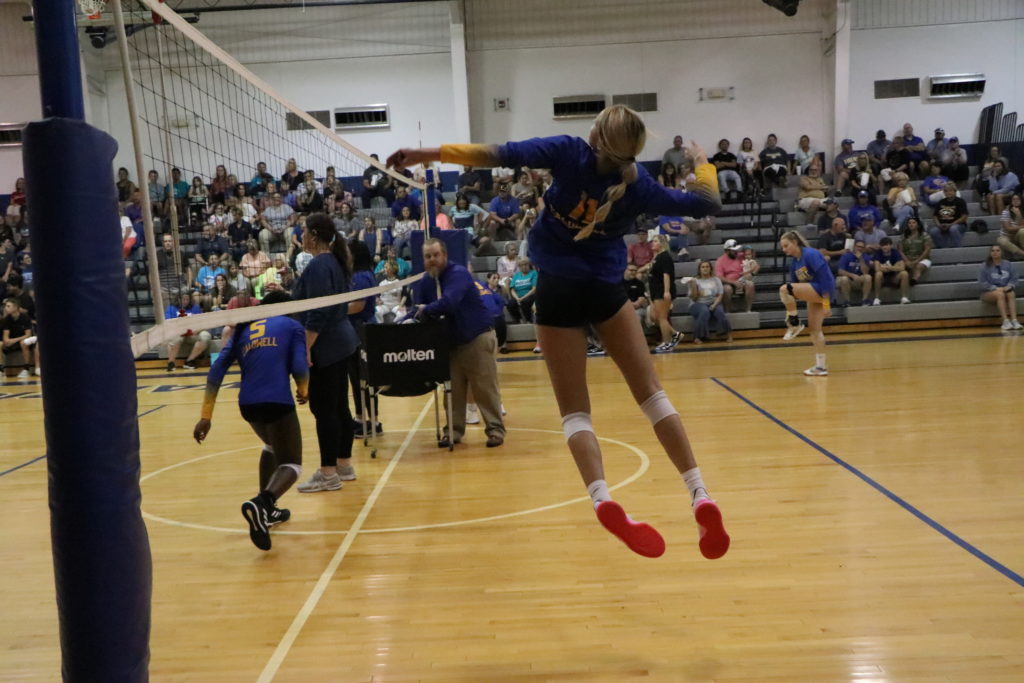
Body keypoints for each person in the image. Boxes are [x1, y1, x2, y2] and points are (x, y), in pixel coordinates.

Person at [386, 104, 729, 560]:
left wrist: (427, 154)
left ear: (597, 137)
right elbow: (707, 203)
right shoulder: (639, 186)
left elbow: (497, 154)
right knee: (652, 396)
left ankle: (603, 498)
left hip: (557, 292)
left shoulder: (569, 153)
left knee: (575, 413)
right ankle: (699, 493)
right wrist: (702, 163)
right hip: (606, 291)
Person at [192, 290, 309, 550]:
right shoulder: (292, 326)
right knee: (292, 464)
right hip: (277, 401)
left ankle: (267, 513)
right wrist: (303, 389)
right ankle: (263, 503)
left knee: (271, 446)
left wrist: (205, 417)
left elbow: (216, 370)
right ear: (286, 308)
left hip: (248, 405)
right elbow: (300, 366)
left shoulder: (244, 328)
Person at [292, 214, 363, 493]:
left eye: (303, 231)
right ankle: (343, 466)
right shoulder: (333, 261)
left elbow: (319, 311)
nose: (300, 235)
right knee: (338, 407)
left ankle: (328, 474)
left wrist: (306, 347)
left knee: (324, 410)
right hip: (341, 342)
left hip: (327, 345)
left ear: (313, 235)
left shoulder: (320, 265)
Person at [413, 238, 505, 448]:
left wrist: (425, 310)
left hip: (477, 337)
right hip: (451, 343)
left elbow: (449, 303)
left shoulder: (458, 274)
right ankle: (453, 431)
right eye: (427, 256)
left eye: (436, 255)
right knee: (452, 390)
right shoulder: (426, 281)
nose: (432, 259)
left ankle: (495, 431)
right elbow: (418, 308)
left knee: (484, 388)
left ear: (445, 255)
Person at [779, 230, 835, 376]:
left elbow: (825, 279)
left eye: (786, 245)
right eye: (782, 247)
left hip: (823, 289)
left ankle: (795, 323)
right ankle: (821, 367)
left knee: (784, 289)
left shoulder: (811, 254)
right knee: (815, 330)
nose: (784, 249)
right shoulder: (794, 263)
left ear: (795, 242)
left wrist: (826, 304)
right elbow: (795, 291)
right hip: (813, 292)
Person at [648, 235, 683, 352]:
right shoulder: (657, 257)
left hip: (661, 290)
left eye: (655, 241)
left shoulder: (665, 257)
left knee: (662, 318)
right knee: (655, 317)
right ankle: (675, 334)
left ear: (662, 243)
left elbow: (666, 274)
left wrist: (666, 291)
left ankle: (667, 342)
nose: (653, 243)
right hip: (655, 291)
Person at [686, 260, 731, 344]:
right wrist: (694, 287)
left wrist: (714, 305)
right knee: (704, 311)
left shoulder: (716, 279)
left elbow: (720, 295)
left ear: (710, 269)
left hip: (713, 301)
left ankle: (727, 334)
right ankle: (698, 336)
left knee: (720, 312)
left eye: (707, 267)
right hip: (697, 303)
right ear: (699, 269)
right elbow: (693, 298)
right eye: (703, 267)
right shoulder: (694, 280)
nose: (705, 269)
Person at [978, 245, 1021, 331]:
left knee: (1011, 293)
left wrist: (1009, 286)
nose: (995, 252)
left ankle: (1014, 320)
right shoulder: (984, 266)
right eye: (993, 251)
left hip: (1004, 289)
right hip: (988, 292)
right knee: (1000, 294)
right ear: (990, 253)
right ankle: (1005, 321)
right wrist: (994, 288)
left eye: (997, 250)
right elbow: (981, 282)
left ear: (1002, 252)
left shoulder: (1008, 264)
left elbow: (1015, 279)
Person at [1, 297, 38, 378]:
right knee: (1, 344)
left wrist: (13, 340)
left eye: (8, 306)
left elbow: (28, 334)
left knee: (23, 343)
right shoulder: (6, 320)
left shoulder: (25, 317)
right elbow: (5, 336)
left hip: (23, 339)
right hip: (12, 341)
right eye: (5, 306)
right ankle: (1, 369)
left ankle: (26, 368)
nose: (6, 308)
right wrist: (7, 341)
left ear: (15, 307)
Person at [872, 237, 911, 305]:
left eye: (887, 245)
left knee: (904, 273)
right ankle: (877, 298)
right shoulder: (878, 253)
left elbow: (902, 267)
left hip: (893, 276)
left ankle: (904, 297)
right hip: (883, 278)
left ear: (891, 245)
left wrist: (888, 267)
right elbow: (877, 268)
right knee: (878, 274)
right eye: (883, 245)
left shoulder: (895, 252)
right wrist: (895, 267)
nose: (885, 247)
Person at [836, 239, 874, 306]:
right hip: (848, 279)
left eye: (862, 247)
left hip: (860, 279)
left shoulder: (866, 257)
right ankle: (847, 301)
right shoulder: (846, 256)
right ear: (854, 247)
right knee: (844, 279)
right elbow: (840, 271)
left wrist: (861, 259)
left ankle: (864, 300)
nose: (860, 248)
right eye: (858, 246)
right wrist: (852, 275)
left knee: (868, 277)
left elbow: (865, 272)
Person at [900, 217, 933, 284]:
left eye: (913, 222)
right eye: (909, 223)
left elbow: (927, 250)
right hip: (907, 259)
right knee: (899, 266)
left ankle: (914, 279)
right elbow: (900, 250)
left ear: (918, 224)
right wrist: (907, 261)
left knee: (917, 266)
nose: (911, 224)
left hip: (923, 259)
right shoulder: (903, 236)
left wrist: (916, 261)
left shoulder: (924, 235)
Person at [997, 193, 1024, 260]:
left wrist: (1019, 215)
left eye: (1018, 199)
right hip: (1007, 236)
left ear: (1021, 201)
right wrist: (1020, 226)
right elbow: (1008, 229)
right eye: (1013, 199)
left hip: (1018, 237)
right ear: (1011, 201)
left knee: (1022, 231)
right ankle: (1022, 253)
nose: (1015, 201)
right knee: (1001, 241)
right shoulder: (1006, 212)